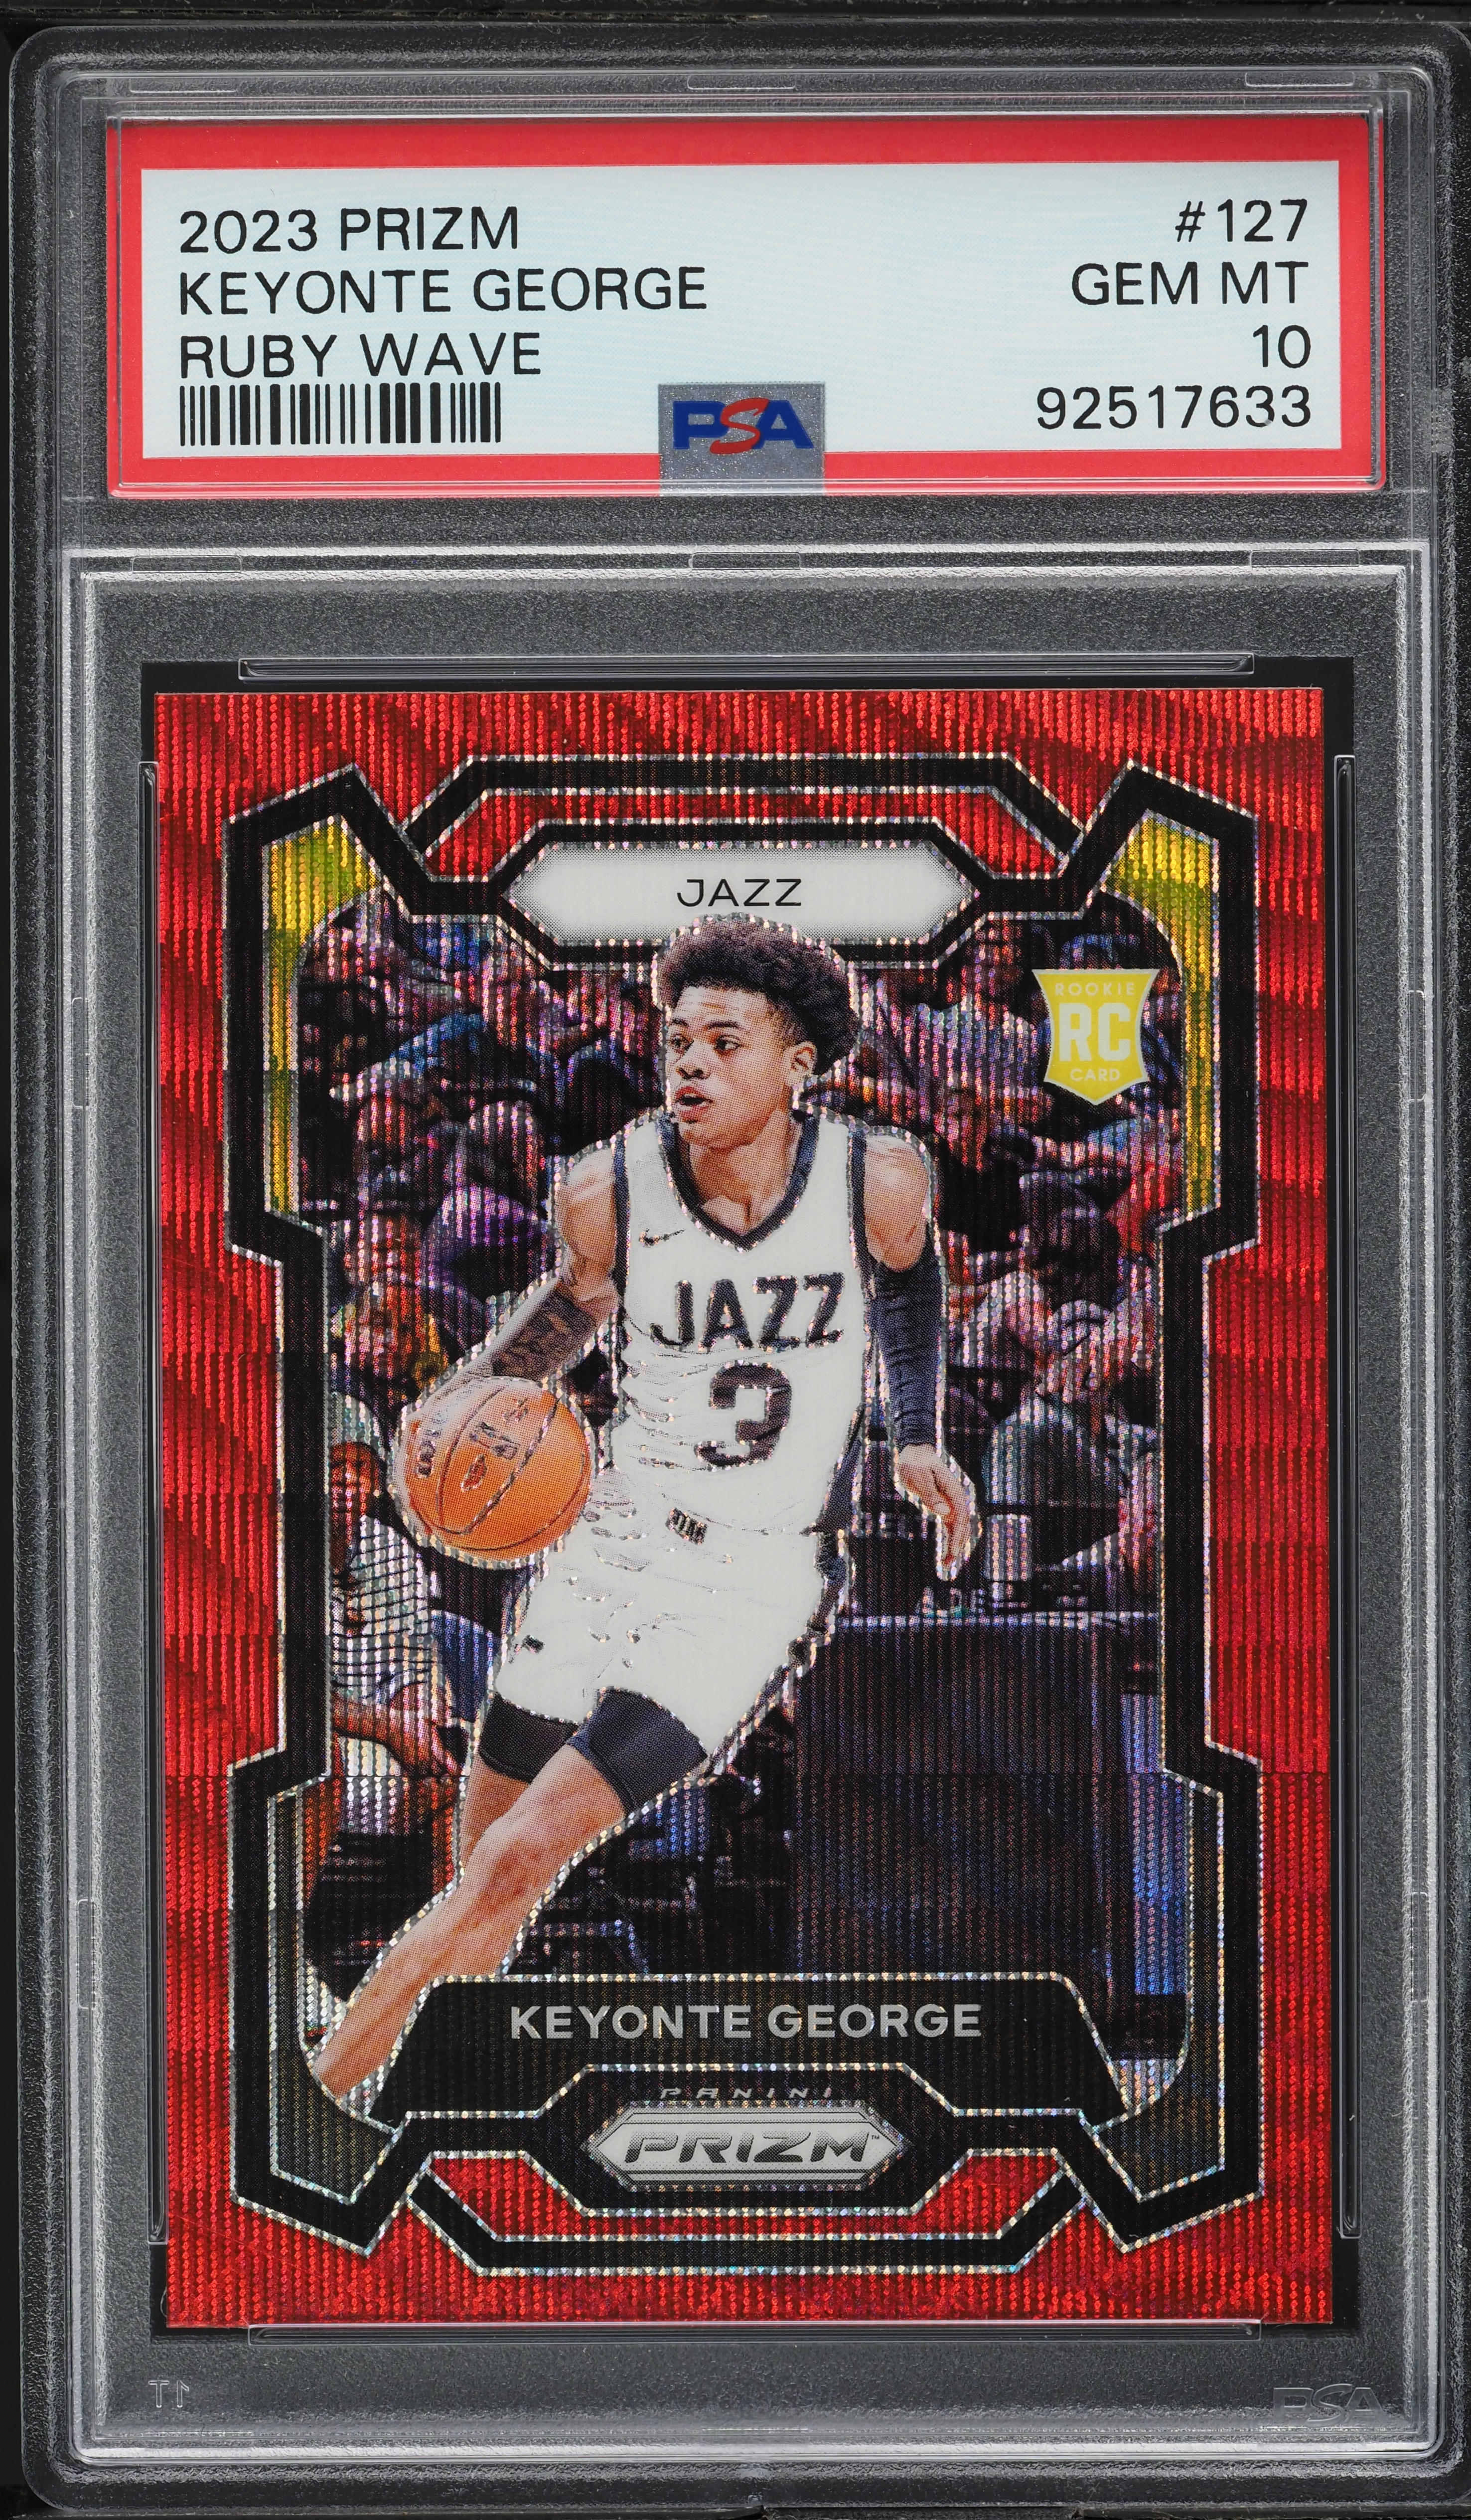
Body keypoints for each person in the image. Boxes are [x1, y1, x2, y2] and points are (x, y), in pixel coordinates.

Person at [312, 918, 976, 2101]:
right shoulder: (610, 1185)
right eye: (678, 1040)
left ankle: (318, 2101)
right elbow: (571, 1309)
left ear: (799, 1063)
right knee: (483, 1870)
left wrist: (916, 1430)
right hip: (607, 1552)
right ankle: (428, 2096)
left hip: (751, 1584)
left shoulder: (874, 1176)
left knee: (515, 1861)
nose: (691, 1063)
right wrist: (469, 1395)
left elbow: (910, 1277)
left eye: (725, 1041)